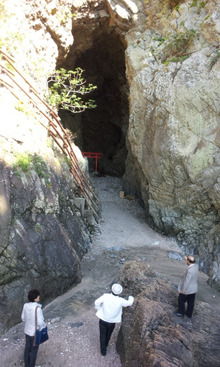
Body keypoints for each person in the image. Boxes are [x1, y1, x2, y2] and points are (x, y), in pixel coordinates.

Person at [94, 283, 134, 356]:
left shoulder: (105, 296)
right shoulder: (121, 300)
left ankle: (103, 351)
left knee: (102, 334)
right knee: (108, 334)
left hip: (103, 319)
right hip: (112, 322)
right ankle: (106, 345)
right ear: (120, 292)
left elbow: (96, 302)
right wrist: (131, 297)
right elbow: (129, 303)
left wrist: (98, 309)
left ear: (112, 290)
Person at [21, 289, 46, 367]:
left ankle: (26, 364)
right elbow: (40, 323)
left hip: (27, 331)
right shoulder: (37, 309)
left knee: (27, 348)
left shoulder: (25, 305)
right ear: (35, 298)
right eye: (38, 296)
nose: (39, 297)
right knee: (34, 350)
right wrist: (43, 328)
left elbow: (23, 318)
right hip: (35, 333)